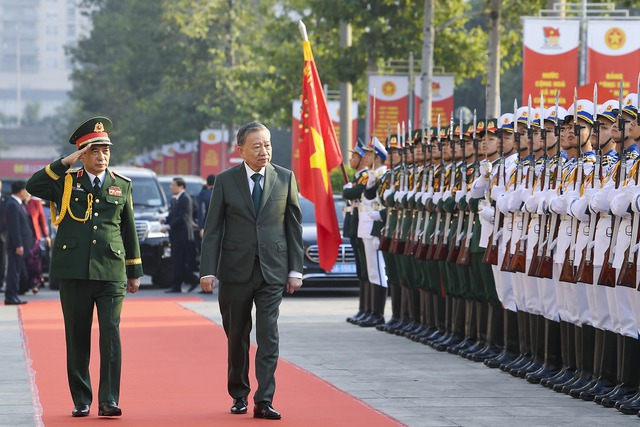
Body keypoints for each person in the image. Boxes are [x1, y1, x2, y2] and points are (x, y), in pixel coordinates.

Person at [26, 116, 143, 418]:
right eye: (94, 151)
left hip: (111, 270)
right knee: (77, 336)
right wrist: (65, 163)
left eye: (105, 151)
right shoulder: (65, 182)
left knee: (111, 335)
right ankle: (81, 398)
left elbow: (128, 229)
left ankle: (109, 400)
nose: (102, 157)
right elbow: (33, 184)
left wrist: (134, 271)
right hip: (74, 271)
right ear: (82, 154)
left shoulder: (121, 185)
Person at [200, 122, 303, 420]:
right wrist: (208, 270)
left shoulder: (285, 178)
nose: (264, 151)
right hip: (235, 270)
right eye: (256, 146)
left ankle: (265, 399)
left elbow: (293, 227)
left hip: (273, 270)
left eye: (267, 144)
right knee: (237, 335)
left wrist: (296, 269)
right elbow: (213, 230)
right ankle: (239, 394)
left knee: (269, 335)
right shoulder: (225, 181)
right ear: (240, 150)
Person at [162, 177, 199, 293]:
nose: (171, 188)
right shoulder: (175, 199)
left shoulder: (185, 199)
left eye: (173, 185)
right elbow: (173, 215)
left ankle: (183, 282)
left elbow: (183, 217)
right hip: (175, 235)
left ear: (181, 187)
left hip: (183, 236)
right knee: (177, 261)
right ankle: (189, 280)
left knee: (179, 261)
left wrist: (169, 226)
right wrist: (165, 221)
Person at [3, 181, 33, 305]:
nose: (27, 193)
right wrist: (18, 244)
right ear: (21, 191)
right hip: (16, 246)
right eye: (26, 190)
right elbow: (14, 228)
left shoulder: (17, 204)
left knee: (16, 271)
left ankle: (13, 295)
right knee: (13, 271)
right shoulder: (12, 205)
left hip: (20, 245)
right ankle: (11, 296)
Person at [22, 192, 51, 294]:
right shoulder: (19, 204)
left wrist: (46, 236)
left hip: (35, 237)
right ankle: (24, 285)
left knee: (34, 260)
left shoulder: (36, 203)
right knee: (24, 262)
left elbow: (42, 220)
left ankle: (35, 283)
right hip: (23, 238)